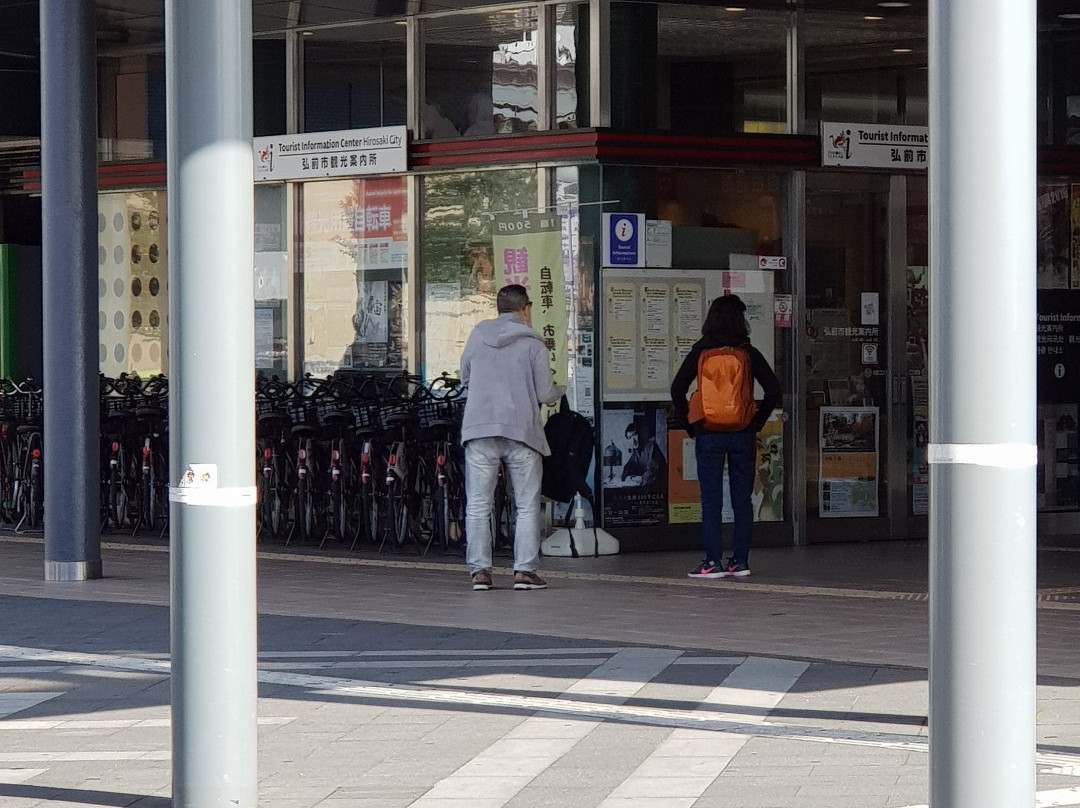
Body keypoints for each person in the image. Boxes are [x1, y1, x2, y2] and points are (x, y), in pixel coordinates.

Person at [460, 284, 564, 591]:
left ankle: (480, 572)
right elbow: (545, 393)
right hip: (521, 431)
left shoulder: (477, 336)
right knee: (527, 504)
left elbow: (465, 377)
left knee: (478, 504)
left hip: (480, 428)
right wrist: (560, 390)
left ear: (499, 308)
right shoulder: (534, 344)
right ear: (526, 309)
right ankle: (524, 572)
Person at [671, 294, 781, 579]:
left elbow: (677, 389)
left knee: (711, 500)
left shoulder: (701, 351)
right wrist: (755, 422)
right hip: (742, 434)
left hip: (708, 434)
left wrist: (692, 425)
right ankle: (740, 561)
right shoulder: (748, 352)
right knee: (741, 499)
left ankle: (712, 562)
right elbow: (773, 390)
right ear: (740, 320)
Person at [621, 420, 666, 490]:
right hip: (644, 488)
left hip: (658, 488)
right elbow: (626, 471)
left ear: (640, 434)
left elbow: (655, 471)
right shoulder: (635, 452)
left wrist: (641, 478)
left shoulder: (651, 446)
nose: (633, 440)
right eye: (629, 438)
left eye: (634, 435)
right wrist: (630, 477)